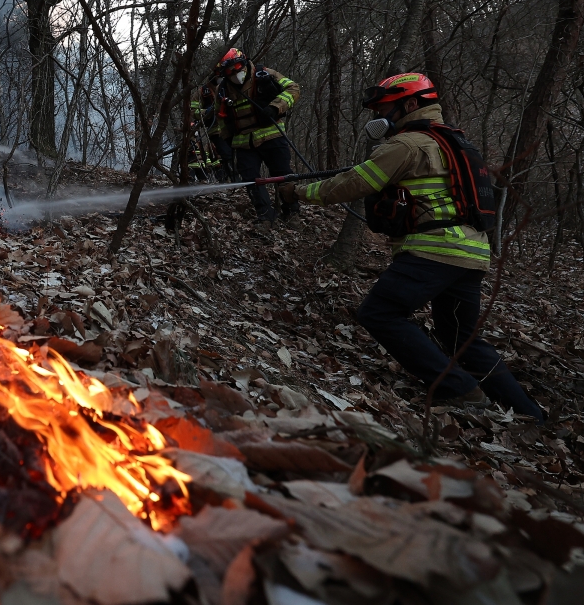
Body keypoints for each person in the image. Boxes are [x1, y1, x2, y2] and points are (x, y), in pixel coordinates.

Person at [280, 73, 544, 422]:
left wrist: (297, 192)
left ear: (409, 104)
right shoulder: (452, 142)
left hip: (435, 249)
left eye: (384, 107)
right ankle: (530, 416)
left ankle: (460, 389)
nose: (379, 116)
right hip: (472, 253)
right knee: (460, 339)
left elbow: (353, 183)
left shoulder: (407, 144)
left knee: (380, 313)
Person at [211, 48, 301, 229]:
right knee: (252, 180)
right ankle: (265, 217)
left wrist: (275, 107)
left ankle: (292, 213)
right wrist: (226, 142)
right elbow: (220, 118)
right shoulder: (223, 90)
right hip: (243, 143)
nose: (236, 74)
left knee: (283, 176)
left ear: (244, 62)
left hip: (272, 136)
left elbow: (293, 88)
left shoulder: (264, 74)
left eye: (238, 67)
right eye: (230, 71)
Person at [188, 80, 234, 182]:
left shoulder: (232, 85)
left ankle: (236, 179)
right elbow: (193, 111)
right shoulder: (202, 92)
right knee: (227, 154)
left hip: (234, 128)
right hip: (215, 131)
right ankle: (234, 181)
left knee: (236, 154)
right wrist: (206, 112)